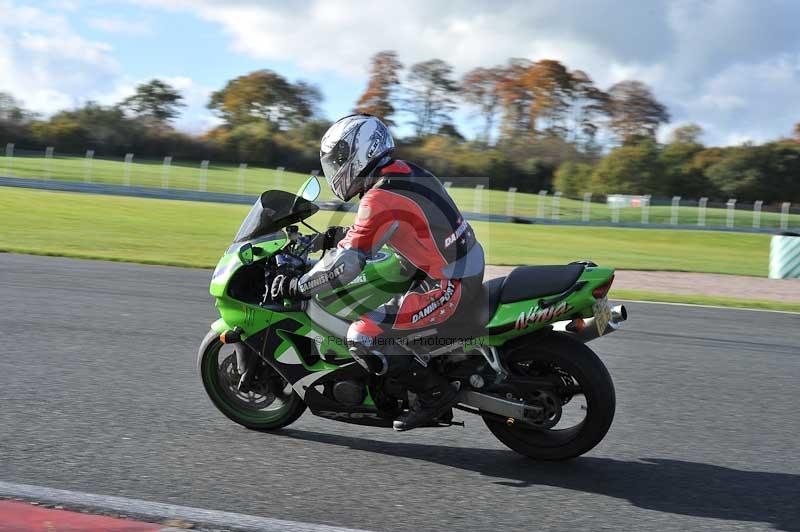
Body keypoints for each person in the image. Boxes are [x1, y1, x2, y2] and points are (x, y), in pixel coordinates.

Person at [271, 114, 485, 431]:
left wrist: (298, 286)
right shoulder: (405, 173)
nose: (337, 167)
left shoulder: (379, 197)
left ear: (362, 150)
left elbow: (346, 266)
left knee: (362, 336)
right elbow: (392, 227)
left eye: (341, 157)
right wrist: (331, 238)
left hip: (447, 284)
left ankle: (434, 394)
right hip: (458, 266)